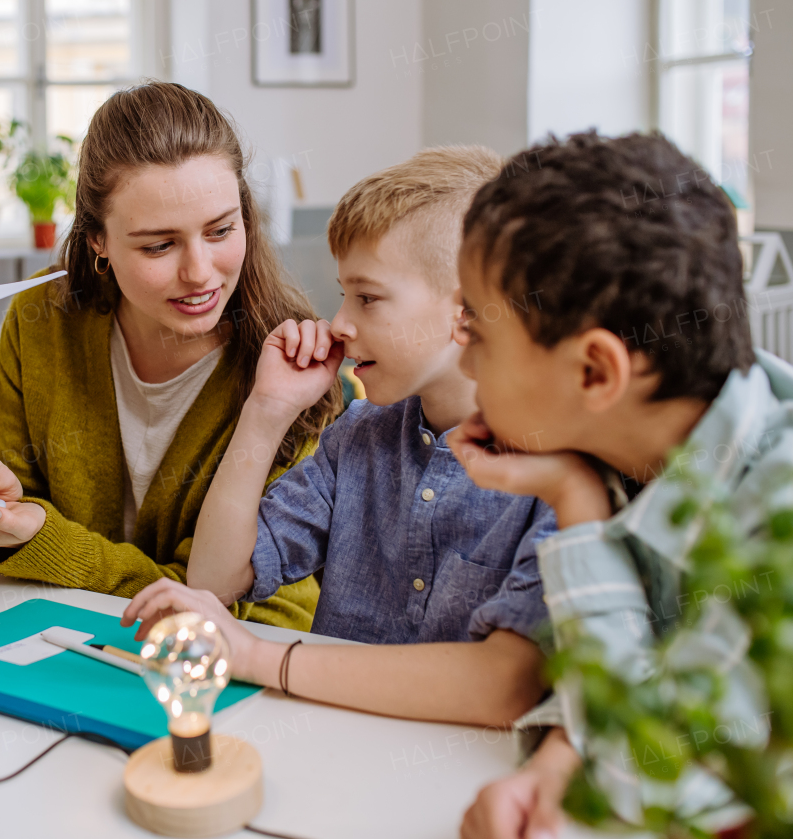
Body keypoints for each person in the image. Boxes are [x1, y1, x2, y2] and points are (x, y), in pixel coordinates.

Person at [0, 81, 337, 628]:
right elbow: (3, 550)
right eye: (158, 245)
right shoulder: (41, 319)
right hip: (58, 646)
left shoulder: (291, 372)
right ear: (97, 239)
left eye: (220, 230)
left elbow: (255, 610)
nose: (199, 272)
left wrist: (45, 541)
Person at [133, 148, 556, 727]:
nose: (338, 323)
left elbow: (507, 689)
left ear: (466, 313)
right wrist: (267, 409)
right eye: (343, 294)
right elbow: (215, 578)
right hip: (329, 743)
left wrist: (254, 656)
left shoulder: (560, 471)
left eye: (367, 297)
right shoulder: (357, 437)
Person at [451, 131, 773, 838]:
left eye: (480, 334)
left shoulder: (776, 522)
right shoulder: (650, 438)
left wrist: (577, 507)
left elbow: (649, 769)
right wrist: (558, 763)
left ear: (595, 373)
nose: (464, 361)